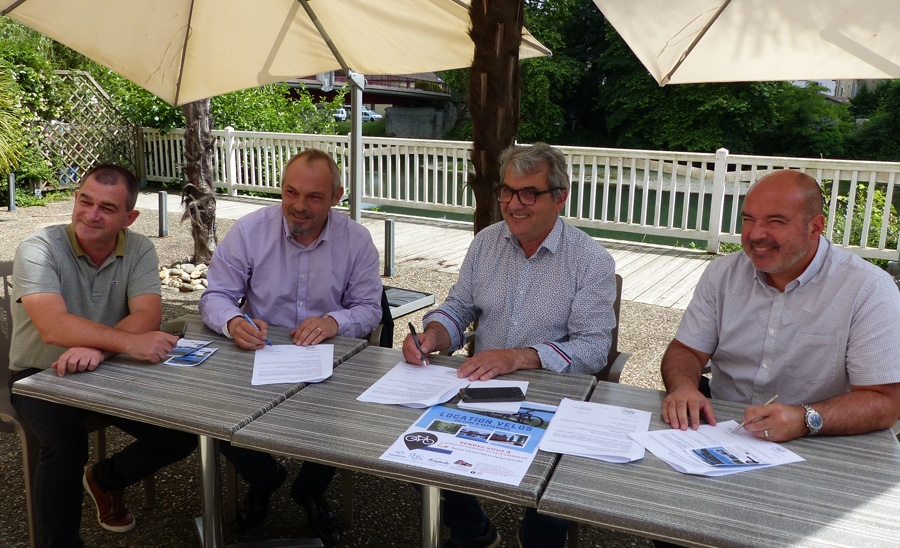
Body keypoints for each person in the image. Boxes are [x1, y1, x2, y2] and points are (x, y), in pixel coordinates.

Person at [402, 142, 617, 548]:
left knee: (546, 517)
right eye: (507, 190)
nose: (514, 204)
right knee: (416, 457)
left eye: (529, 193)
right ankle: (475, 531)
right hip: (481, 389)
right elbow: (460, 306)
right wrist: (432, 335)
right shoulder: (486, 243)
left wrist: (519, 357)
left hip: (553, 401)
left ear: (560, 198)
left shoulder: (591, 260)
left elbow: (593, 349)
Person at [199, 148, 382, 545]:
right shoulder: (250, 230)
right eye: (290, 192)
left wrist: (335, 321)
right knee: (209, 406)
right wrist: (233, 322)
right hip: (258, 351)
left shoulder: (357, 240)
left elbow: (369, 309)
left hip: (328, 355)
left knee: (338, 408)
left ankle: (311, 489)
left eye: (314, 197)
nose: (298, 206)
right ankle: (263, 476)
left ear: (337, 197)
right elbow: (215, 296)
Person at [8, 165, 197, 548]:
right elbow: (53, 327)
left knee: (179, 435)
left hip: (107, 366)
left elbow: (147, 315)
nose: (91, 214)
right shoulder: (38, 247)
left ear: (129, 217)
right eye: (85, 200)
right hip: (40, 372)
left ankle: (104, 479)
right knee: (66, 444)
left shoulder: (139, 247)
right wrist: (127, 343)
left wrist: (99, 348)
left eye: (107, 208)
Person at [661, 169, 900, 442]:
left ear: (815, 227)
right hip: (722, 428)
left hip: (823, 438)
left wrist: (805, 418)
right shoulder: (723, 273)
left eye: (775, 221)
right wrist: (683, 388)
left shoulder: (867, 288)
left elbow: (886, 403)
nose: (755, 234)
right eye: (748, 220)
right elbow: (686, 350)